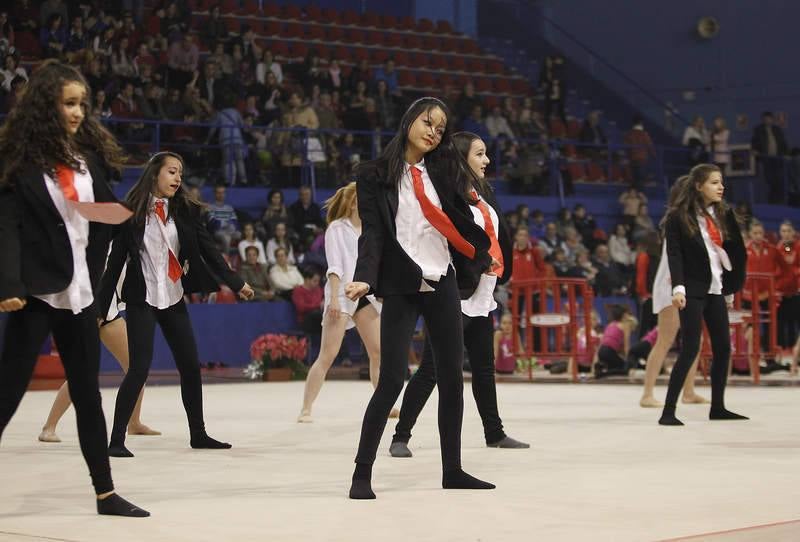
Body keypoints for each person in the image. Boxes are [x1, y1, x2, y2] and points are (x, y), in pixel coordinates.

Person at [0, 60, 148, 517]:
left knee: (88, 394)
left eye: (82, 103)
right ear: (47, 105)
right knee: (7, 393)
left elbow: (99, 211)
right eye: (69, 103)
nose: (79, 112)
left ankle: (105, 494)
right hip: (37, 293)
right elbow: (6, 226)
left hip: (81, 293)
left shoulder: (82, 160)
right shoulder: (18, 163)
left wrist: (128, 218)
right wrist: (9, 282)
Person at [344, 97, 494, 499]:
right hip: (400, 283)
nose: (433, 132)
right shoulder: (374, 174)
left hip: (442, 278)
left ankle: (453, 470)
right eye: (428, 122)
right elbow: (372, 233)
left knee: (451, 379)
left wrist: (480, 253)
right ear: (409, 119)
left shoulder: (443, 169)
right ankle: (361, 474)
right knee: (392, 378)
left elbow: (461, 213)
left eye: (440, 128)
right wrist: (363, 278)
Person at [97, 151, 254, 457]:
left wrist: (236, 283)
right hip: (143, 299)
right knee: (138, 369)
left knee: (190, 368)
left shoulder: (184, 211)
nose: (178, 178)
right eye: (172, 171)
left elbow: (210, 251)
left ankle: (198, 434)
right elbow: (114, 264)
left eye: (180, 173)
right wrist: (101, 310)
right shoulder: (131, 212)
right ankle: (116, 440)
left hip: (173, 297)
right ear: (155, 173)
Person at [390, 132, 529, 459]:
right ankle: (400, 435)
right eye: (480, 154)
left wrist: (499, 269)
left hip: (483, 294)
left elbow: (499, 236)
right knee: (431, 370)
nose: (487, 160)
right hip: (455, 293)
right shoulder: (446, 194)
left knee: (484, 368)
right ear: (461, 157)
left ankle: (494, 432)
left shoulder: (483, 192)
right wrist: (478, 262)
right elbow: (448, 241)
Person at [658, 164, 747, 426]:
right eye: (714, 183)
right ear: (698, 186)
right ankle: (668, 411)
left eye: (721, 182)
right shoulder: (678, 216)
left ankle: (718, 407)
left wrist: (730, 287)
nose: (721, 187)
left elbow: (734, 251)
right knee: (691, 348)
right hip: (692, 290)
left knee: (723, 348)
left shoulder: (724, 214)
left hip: (716, 289)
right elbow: (675, 254)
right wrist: (678, 288)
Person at [298, 183, 388, 422]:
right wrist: (334, 300)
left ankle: (383, 406)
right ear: (353, 202)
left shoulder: (371, 229)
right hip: (341, 294)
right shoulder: (337, 228)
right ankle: (306, 409)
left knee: (378, 352)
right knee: (327, 355)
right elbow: (335, 266)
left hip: (364, 293)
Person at [39, 274, 160, 442]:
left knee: (137, 367)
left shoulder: (119, 249)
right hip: (87, 311)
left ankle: (134, 423)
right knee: (80, 374)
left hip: (108, 312)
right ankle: (49, 427)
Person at [639, 181, 709, 408]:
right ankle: (646, 394)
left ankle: (688, 391)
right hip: (672, 285)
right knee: (665, 340)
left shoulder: (691, 219)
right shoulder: (678, 219)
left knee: (694, 340)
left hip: (687, 285)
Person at [751, 112, 788, 204]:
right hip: (766, 159)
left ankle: (779, 201)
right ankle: (771, 201)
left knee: (779, 180)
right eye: (765, 118)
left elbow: (783, 143)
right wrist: (755, 150)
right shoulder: (759, 130)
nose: (767, 120)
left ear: (772, 119)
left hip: (778, 159)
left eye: (769, 118)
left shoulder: (777, 129)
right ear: (763, 119)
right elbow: (754, 142)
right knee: (770, 181)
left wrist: (786, 154)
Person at [595, 305, 638, 378]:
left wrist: (597, 358)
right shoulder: (625, 325)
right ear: (624, 315)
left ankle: (602, 370)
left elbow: (603, 342)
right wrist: (628, 361)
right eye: (628, 314)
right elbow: (626, 346)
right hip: (608, 352)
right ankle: (603, 374)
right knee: (624, 370)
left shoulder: (610, 324)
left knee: (614, 366)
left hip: (601, 352)